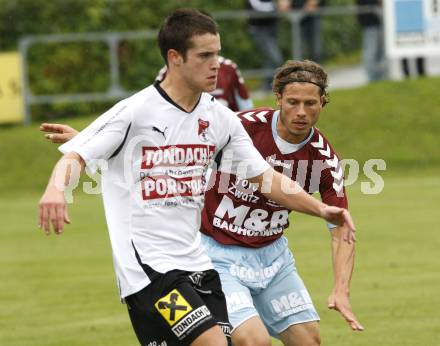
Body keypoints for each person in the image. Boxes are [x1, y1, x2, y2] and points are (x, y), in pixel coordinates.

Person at [38, 9, 356, 346]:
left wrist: (320, 209)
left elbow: (266, 178)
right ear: (175, 58)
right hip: (149, 269)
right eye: (205, 55)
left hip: (199, 266)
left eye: (216, 53)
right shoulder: (135, 111)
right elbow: (76, 156)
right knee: (222, 343)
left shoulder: (221, 119)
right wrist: (57, 189)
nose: (216, 63)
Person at [156, 56, 254, 111]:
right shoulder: (169, 72)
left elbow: (247, 110)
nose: (216, 66)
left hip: (225, 136)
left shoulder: (229, 68)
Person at [246, 0, 289, 90]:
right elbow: (261, 10)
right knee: (276, 58)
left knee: (269, 59)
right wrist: (278, 9)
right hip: (259, 31)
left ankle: (268, 85)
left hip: (272, 30)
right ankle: (271, 84)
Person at [357, 0, 385, 82]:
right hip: (371, 22)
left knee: (378, 52)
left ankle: (378, 77)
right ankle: (373, 78)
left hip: (374, 22)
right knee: (371, 51)